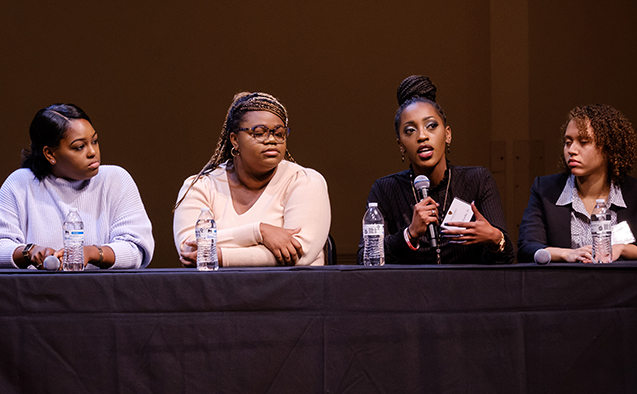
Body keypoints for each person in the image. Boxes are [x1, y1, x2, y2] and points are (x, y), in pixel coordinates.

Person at [357, 75, 514, 264]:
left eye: (431, 126)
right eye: (410, 130)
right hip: (408, 291)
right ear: (400, 145)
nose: (422, 136)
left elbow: (506, 261)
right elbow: (364, 259)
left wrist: (495, 239)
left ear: (447, 134)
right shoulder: (385, 190)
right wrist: (409, 234)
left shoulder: (478, 180)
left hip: (466, 291)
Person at [173, 92, 331, 267]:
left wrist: (221, 256)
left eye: (279, 133)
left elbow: (299, 254)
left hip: (291, 292)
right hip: (220, 292)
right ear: (235, 140)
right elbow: (188, 248)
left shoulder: (304, 181)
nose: (271, 140)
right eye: (259, 133)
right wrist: (259, 232)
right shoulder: (202, 186)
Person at [0, 103, 154, 269]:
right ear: (50, 154)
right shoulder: (20, 184)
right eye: (80, 147)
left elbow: (136, 249)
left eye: (94, 141)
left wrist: (91, 253)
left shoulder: (116, 179)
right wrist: (30, 252)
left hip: (104, 292)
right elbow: (2, 245)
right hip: (36, 293)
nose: (92, 152)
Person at [518, 104, 637, 263]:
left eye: (583, 142)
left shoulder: (634, 193)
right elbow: (527, 247)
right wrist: (566, 254)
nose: (572, 150)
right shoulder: (545, 189)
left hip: (621, 287)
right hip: (564, 285)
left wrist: (623, 249)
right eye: (568, 142)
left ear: (610, 149)